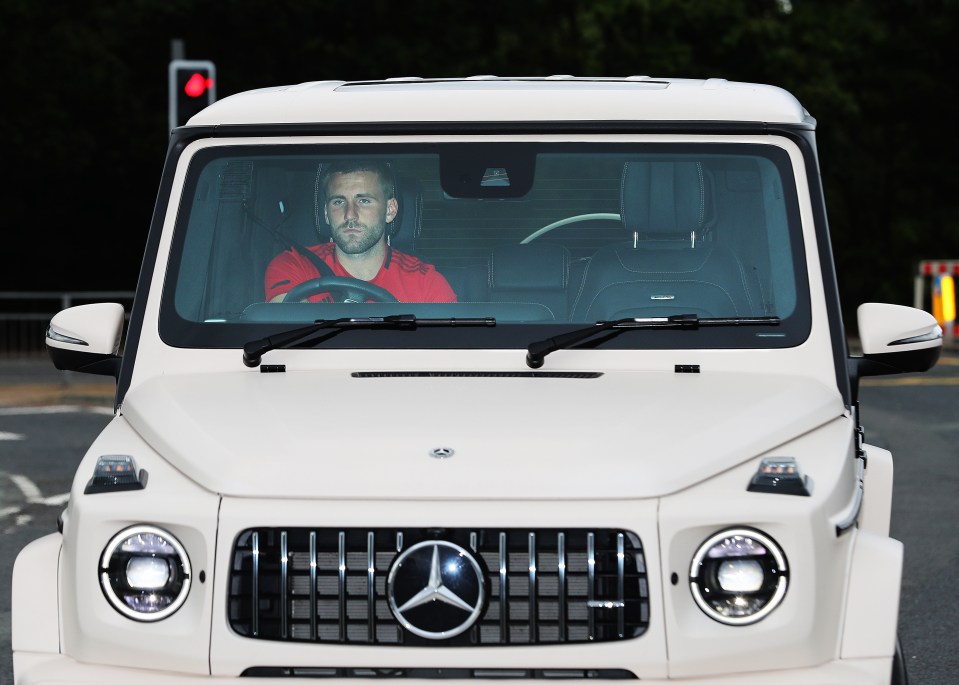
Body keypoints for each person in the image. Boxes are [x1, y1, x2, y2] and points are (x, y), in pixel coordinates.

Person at [264, 160, 457, 303]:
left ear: (390, 210)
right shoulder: (295, 264)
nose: (350, 215)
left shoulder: (425, 281)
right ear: (326, 213)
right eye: (338, 202)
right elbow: (296, 337)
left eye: (364, 201)